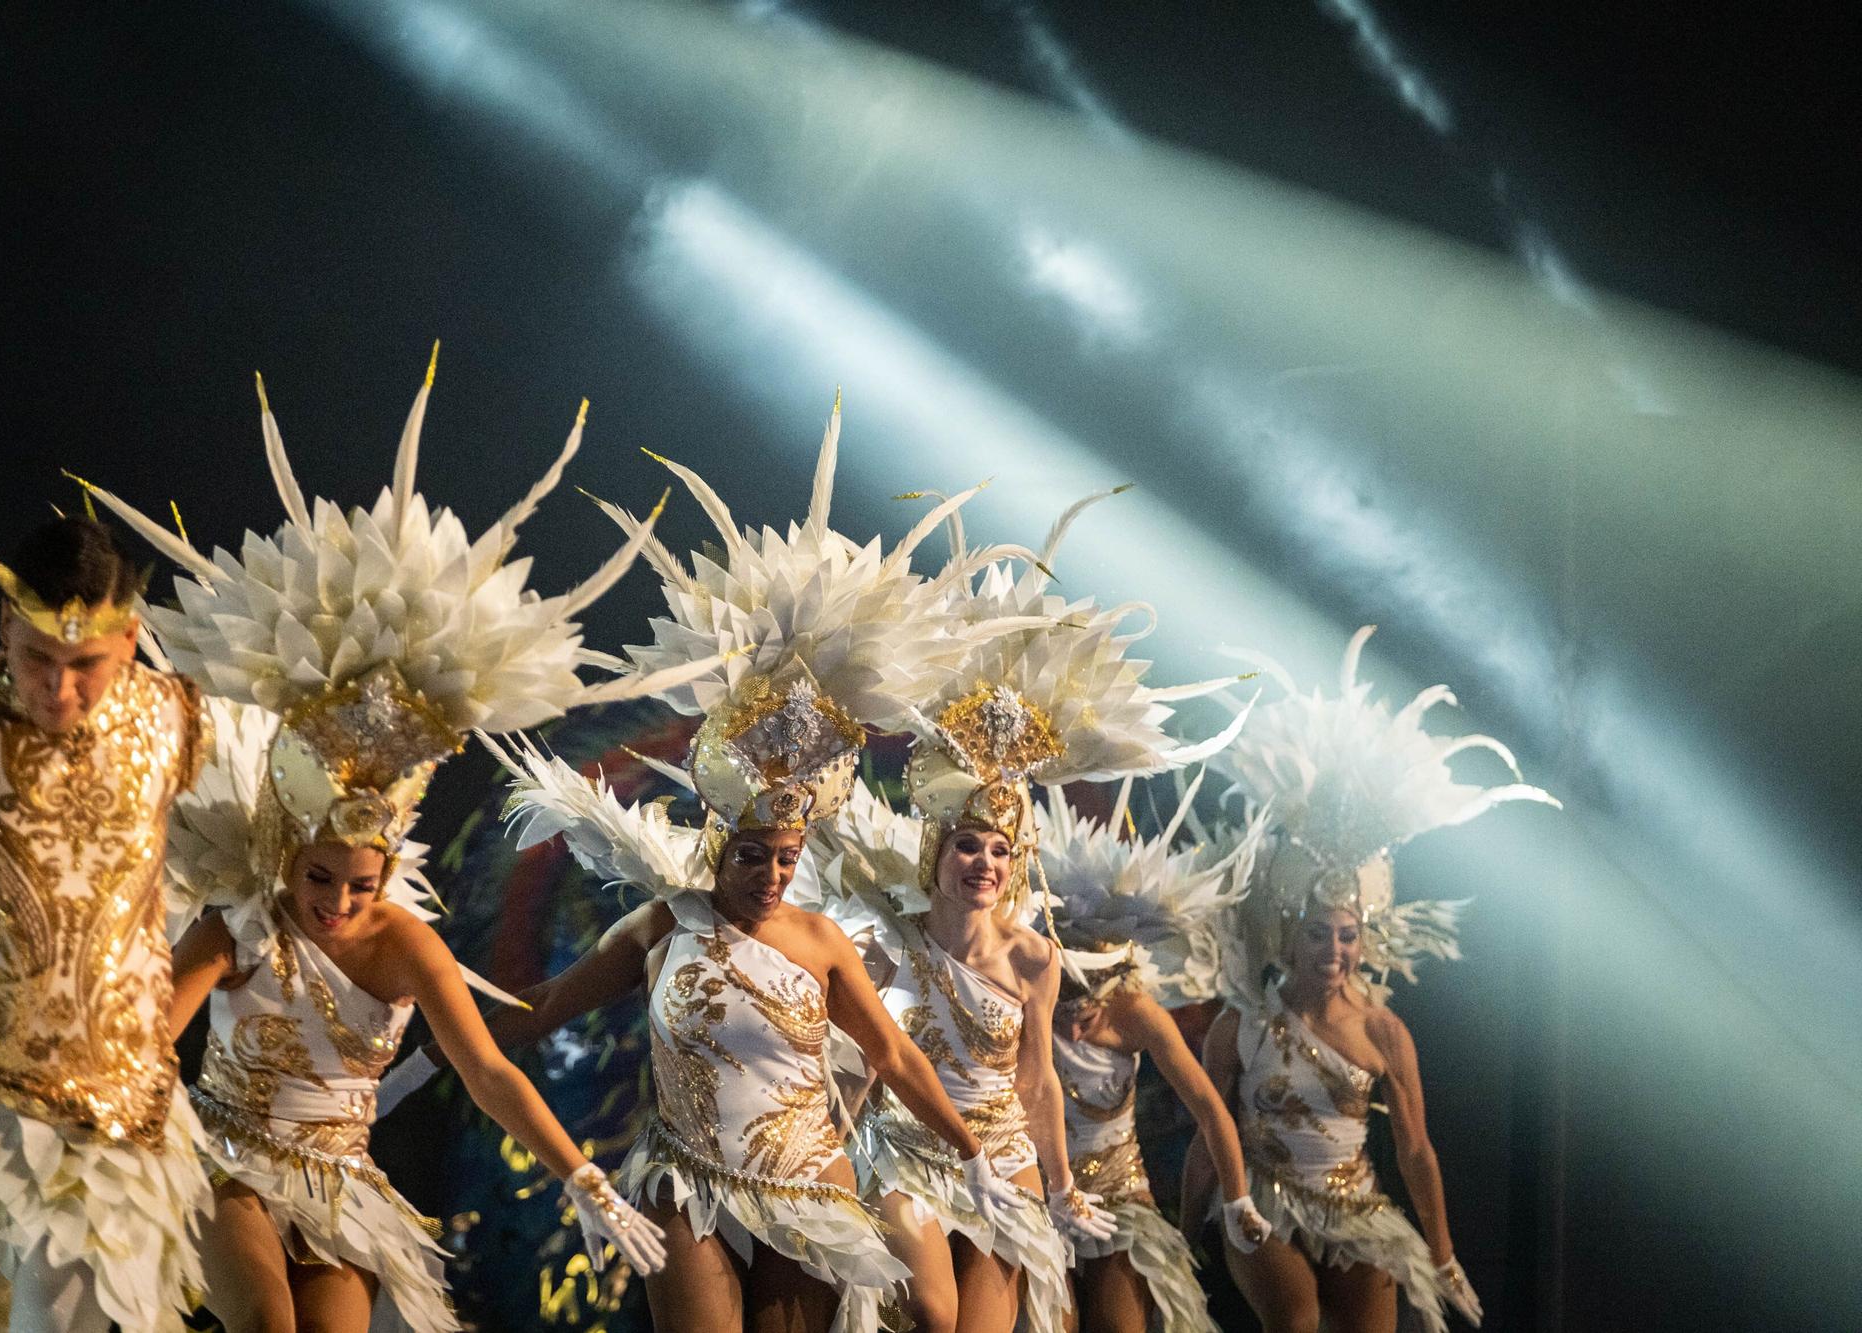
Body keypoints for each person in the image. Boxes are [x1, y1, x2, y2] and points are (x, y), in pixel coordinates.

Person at [381, 393, 1033, 1332]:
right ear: (719, 845)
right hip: (686, 1182)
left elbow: (890, 1054)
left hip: (808, 1185)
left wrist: (970, 1151)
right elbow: (542, 1011)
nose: (772, 874)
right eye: (756, 856)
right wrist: (427, 1031)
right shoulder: (662, 925)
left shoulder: (818, 941)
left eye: (787, 857)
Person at [89, 352, 681, 1330]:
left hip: (341, 1187)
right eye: (321, 878)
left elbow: (487, 1069)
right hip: (227, 1166)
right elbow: (152, 1032)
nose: (339, 903)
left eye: (362, 883)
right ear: (289, 857)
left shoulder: (405, 944)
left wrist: (584, 1177)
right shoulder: (243, 926)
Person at [815, 490, 1252, 1333]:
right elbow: (868, 1058)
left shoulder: (1033, 960)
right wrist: (831, 1139)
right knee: (932, 1313)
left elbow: (1036, 1079)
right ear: (938, 852)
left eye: (998, 850)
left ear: (1014, 865)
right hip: (912, 1151)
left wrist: (1058, 1185)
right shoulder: (888, 943)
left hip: (1009, 1158)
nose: (983, 862)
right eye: (968, 845)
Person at [0, 517, 211, 1332]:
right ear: (3, 626)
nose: (59, 689)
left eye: (85, 665)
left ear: (130, 637)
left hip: (106, 1119)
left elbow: (285, 834)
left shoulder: (178, 721)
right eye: (37, 659)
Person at [1188, 627, 1559, 1333]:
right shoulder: (1244, 1026)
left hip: (1357, 1208)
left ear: (1363, 940)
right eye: (1317, 933)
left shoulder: (1384, 1031)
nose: (1332, 948)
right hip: (1264, 1197)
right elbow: (1214, 1132)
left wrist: (1444, 1255)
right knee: (1295, 1318)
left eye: (1346, 935)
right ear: (1289, 936)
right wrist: (1186, 1232)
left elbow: (1416, 1147)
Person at [1035, 783, 1272, 1333]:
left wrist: (1238, 1200)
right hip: (1041, 1193)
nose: (1071, 1019)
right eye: (1061, 999)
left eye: (1086, 1002)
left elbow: (1211, 1110)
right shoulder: (1021, 1003)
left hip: (1120, 1194)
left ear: (1114, 979)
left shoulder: (1138, 1013)